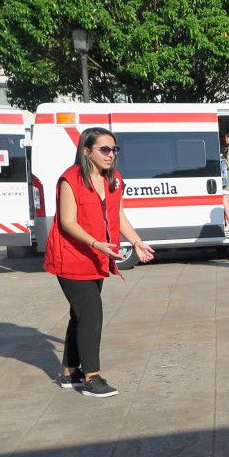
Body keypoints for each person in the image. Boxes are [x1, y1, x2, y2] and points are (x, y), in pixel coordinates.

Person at [44, 127, 155, 398]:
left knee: (79, 315)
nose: (111, 155)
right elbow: (67, 222)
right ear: (86, 151)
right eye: (104, 149)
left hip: (96, 259)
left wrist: (137, 241)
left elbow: (118, 216)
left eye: (114, 149)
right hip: (71, 256)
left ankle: (70, 372)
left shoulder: (114, 179)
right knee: (92, 315)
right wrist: (95, 243)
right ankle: (92, 377)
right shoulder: (70, 179)